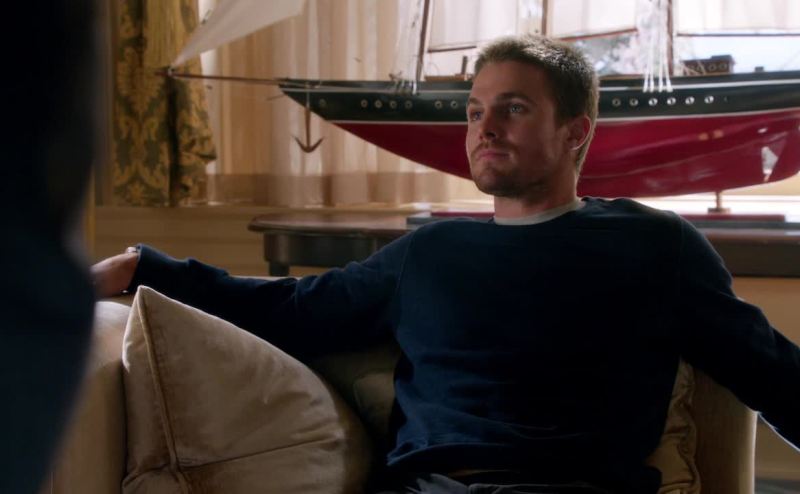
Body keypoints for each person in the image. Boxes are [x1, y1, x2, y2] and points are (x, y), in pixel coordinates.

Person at [92, 35, 800, 493]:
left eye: (512, 109)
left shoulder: (654, 246)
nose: (484, 128)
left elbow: (768, 369)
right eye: (473, 111)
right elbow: (288, 310)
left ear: (575, 131)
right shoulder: (429, 253)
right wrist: (141, 267)